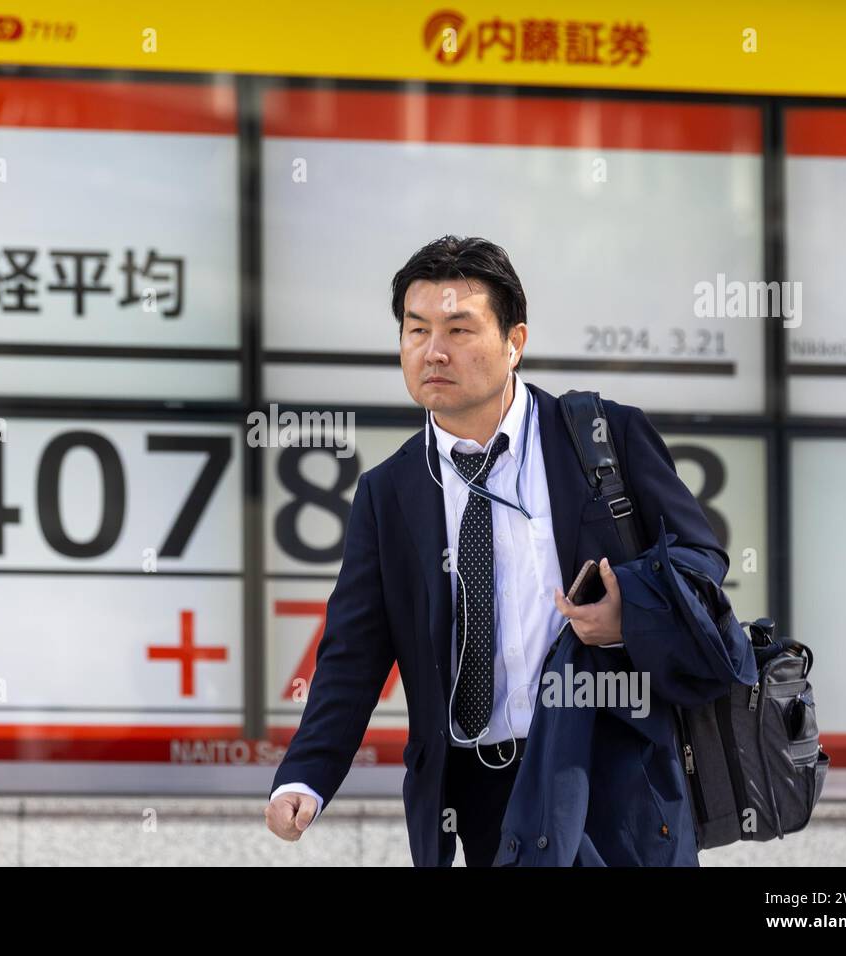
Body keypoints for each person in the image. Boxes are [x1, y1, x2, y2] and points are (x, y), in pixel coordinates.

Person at [263, 235, 743, 866]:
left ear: (515, 341)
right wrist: (306, 775)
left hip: (612, 773)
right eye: (416, 330)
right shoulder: (390, 492)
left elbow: (703, 561)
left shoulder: (603, 438)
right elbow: (354, 652)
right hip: (479, 796)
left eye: (459, 329)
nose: (433, 351)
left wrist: (633, 615)